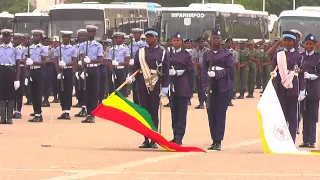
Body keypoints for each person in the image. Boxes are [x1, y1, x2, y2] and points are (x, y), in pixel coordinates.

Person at [127, 28, 169, 149]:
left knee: (153, 112)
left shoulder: (163, 52)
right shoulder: (140, 51)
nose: (149, 39)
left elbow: (165, 70)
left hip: (155, 85)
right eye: (147, 37)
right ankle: (146, 138)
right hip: (141, 84)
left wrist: (165, 87)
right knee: (144, 112)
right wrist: (131, 76)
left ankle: (154, 139)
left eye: (151, 37)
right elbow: (135, 67)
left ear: (156, 38)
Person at [270, 31, 305, 142]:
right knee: (282, 114)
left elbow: (301, 73)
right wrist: (274, 74)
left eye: (290, 41)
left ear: (294, 42)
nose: (287, 43)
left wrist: (302, 90)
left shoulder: (299, 56)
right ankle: (281, 140)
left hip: (293, 87)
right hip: (281, 88)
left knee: (293, 116)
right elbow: (274, 67)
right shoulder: (279, 54)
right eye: (285, 40)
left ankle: (292, 140)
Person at [202, 29, 233, 151]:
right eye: (214, 38)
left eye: (218, 38)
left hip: (223, 87)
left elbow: (230, 70)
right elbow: (204, 72)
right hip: (210, 87)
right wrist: (204, 86)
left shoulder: (227, 54)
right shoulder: (207, 54)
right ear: (210, 40)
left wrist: (218, 73)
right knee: (211, 114)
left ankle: (218, 140)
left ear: (221, 40)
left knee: (220, 114)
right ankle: (213, 139)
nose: (216, 40)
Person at [168, 32, 192, 145]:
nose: (176, 42)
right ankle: (174, 134)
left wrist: (178, 72)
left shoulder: (185, 55)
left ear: (181, 42)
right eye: (174, 40)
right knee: (174, 113)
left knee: (181, 113)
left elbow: (189, 69)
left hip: (182, 86)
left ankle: (179, 137)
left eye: (178, 41)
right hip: (172, 87)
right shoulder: (168, 54)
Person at [299, 34, 320, 148]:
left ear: (314, 45)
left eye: (311, 44)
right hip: (303, 90)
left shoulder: (318, 57)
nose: (308, 46)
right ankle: (305, 140)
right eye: (306, 44)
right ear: (304, 44)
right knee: (305, 116)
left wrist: (313, 76)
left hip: (314, 91)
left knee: (312, 117)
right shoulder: (301, 56)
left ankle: (311, 140)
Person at [79, 25, 103, 123]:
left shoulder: (98, 45)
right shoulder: (83, 45)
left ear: (95, 33)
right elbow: (82, 58)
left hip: (95, 69)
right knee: (87, 93)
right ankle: (88, 113)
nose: (90, 33)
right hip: (87, 70)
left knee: (94, 92)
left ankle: (93, 114)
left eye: (92, 32)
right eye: (88, 32)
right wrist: (83, 69)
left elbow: (100, 59)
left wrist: (91, 60)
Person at [0, 29, 21, 124]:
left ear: (10, 37)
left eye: (7, 36)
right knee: (1, 95)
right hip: (1, 70)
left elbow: (17, 65)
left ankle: (9, 118)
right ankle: (2, 117)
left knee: (10, 95)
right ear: (2, 37)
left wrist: (17, 79)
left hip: (10, 71)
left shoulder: (14, 49)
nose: (5, 38)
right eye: (4, 36)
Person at [54, 31, 77, 120]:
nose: (65, 39)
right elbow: (55, 61)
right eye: (63, 37)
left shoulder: (73, 49)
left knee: (68, 90)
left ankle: (67, 111)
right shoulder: (58, 49)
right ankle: (63, 110)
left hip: (68, 70)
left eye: (67, 37)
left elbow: (74, 61)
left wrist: (66, 64)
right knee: (61, 91)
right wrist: (58, 72)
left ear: (69, 38)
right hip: (60, 71)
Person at [26, 30, 48, 122]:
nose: (35, 37)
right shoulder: (29, 48)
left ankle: (39, 114)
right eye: (34, 36)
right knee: (32, 93)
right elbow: (26, 61)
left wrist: (33, 62)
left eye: (37, 36)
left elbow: (44, 62)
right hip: (31, 71)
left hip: (39, 71)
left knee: (38, 93)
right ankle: (36, 113)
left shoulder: (43, 48)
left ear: (41, 37)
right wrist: (27, 75)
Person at [128, 28, 148, 105]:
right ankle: (136, 103)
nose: (136, 35)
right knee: (134, 87)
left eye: (137, 33)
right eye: (134, 33)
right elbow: (128, 55)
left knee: (142, 86)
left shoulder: (144, 44)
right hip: (134, 68)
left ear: (140, 35)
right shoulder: (130, 45)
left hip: (142, 67)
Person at [74, 29, 88, 117]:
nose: (82, 37)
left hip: (86, 70)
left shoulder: (88, 46)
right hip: (78, 70)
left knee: (85, 89)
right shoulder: (75, 47)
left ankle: (85, 108)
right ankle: (81, 105)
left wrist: (84, 69)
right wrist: (75, 70)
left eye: (83, 35)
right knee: (78, 89)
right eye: (80, 35)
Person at [12, 33, 25, 119]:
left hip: (21, 70)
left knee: (19, 92)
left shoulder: (23, 49)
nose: (15, 40)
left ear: (21, 40)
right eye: (14, 39)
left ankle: (18, 111)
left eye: (17, 39)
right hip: (12, 70)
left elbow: (24, 61)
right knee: (12, 92)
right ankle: (12, 109)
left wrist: (16, 61)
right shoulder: (11, 48)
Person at [194, 37, 209, 109]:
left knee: (205, 87)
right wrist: (196, 70)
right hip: (198, 71)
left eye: (202, 42)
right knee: (199, 88)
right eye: (199, 42)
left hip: (205, 71)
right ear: (197, 43)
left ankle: (207, 102)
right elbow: (193, 61)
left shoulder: (207, 51)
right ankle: (201, 103)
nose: (201, 43)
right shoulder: (195, 51)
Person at [42, 37, 56, 107]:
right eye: (44, 41)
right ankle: (42, 99)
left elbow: (53, 59)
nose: (46, 42)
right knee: (42, 84)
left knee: (47, 84)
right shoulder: (40, 48)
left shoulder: (52, 50)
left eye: (47, 41)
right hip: (42, 66)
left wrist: (46, 61)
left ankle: (46, 100)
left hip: (49, 67)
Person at [225, 37, 238, 106]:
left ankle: (229, 100)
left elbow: (235, 62)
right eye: (228, 42)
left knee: (230, 85)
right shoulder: (223, 51)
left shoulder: (235, 52)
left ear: (232, 44)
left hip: (231, 70)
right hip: (224, 70)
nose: (229, 44)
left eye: (230, 43)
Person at [184, 39, 195, 105]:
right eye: (187, 43)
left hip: (191, 69)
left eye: (189, 43)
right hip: (185, 70)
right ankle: (185, 98)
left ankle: (189, 98)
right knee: (185, 84)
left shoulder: (194, 51)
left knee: (190, 84)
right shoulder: (183, 52)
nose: (188, 44)